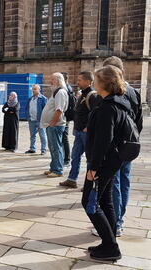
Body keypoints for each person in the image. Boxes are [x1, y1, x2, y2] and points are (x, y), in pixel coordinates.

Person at [82, 65, 129, 261]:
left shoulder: (108, 107)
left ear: (104, 83)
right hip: (112, 161)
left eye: (96, 79)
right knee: (106, 201)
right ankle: (108, 242)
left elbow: (103, 141)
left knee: (89, 202)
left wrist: (93, 167)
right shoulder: (116, 102)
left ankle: (110, 247)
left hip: (103, 162)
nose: (94, 82)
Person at [100, 56, 143, 237]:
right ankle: (120, 220)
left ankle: (115, 224)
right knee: (124, 182)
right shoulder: (134, 92)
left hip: (116, 147)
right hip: (129, 145)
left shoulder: (116, 91)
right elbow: (139, 122)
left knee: (115, 183)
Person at [59, 71, 100, 188]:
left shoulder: (93, 95)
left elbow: (95, 114)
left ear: (88, 81)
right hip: (78, 131)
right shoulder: (82, 94)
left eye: (80, 80)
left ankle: (89, 184)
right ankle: (72, 179)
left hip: (86, 133)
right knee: (75, 156)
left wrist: (88, 128)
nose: (77, 82)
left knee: (89, 159)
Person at [40, 73, 69, 178]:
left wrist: (52, 122)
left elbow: (59, 110)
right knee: (52, 148)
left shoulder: (60, 92)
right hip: (51, 125)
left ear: (58, 80)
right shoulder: (56, 92)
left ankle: (58, 170)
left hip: (56, 125)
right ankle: (53, 167)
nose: (50, 81)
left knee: (56, 148)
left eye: (52, 79)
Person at [25, 84, 47, 155]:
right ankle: (32, 148)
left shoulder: (43, 98)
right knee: (32, 135)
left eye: (35, 89)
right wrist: (28, 117)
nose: (33, 90)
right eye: (33, 89)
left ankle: (43, 149)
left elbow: (45, 110)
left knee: (42, 135)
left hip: (40, 121)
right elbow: (27, 108)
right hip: (31, 120)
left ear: (39, 90)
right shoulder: (30, 99)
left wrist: (44, 119)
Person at [61, 72, 72, 167]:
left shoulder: (66, 89)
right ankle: (65, 158)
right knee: (63, 138)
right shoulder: (67, 88)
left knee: (64, 138)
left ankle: (67, 159)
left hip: (64, 117)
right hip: (64, 117)